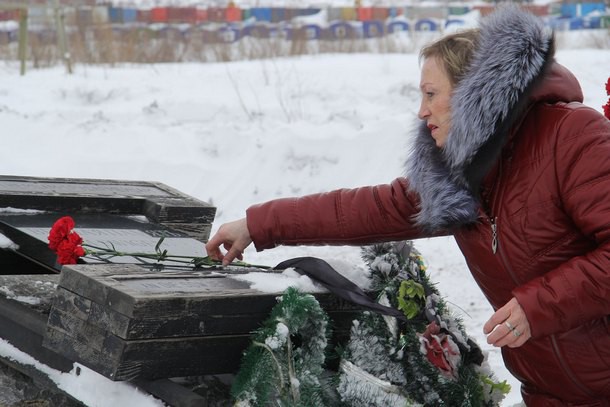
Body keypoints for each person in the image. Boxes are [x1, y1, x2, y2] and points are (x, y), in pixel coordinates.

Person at [206, 5, 610, 406]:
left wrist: (538, 306)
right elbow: (361, 211)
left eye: (431, 94)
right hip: (551, 393)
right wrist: (258, 225)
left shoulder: (571, 136)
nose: (422, 111)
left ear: (476, 91)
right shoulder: (455, 174)